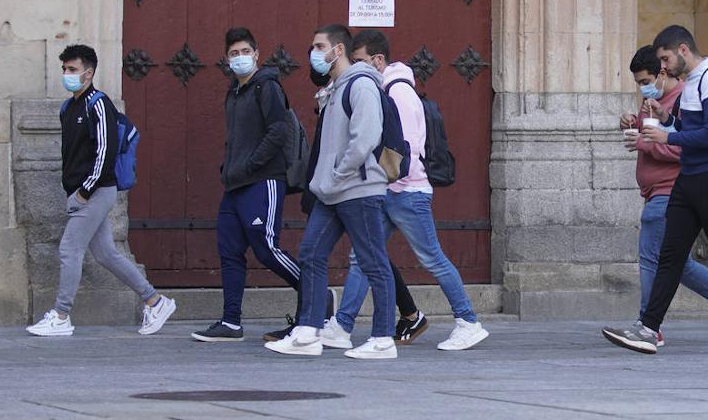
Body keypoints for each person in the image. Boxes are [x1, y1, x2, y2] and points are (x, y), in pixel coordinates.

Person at [602, 25, 708, 355]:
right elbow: (688, 128)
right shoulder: (692, 83)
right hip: (688, 180)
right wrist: (667, 119)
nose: (662, 67)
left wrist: (669, 136)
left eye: (664, 59)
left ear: (682, 50)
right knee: (670, 255)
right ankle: (648, 328)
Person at [321, 31, 489, 351]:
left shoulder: (398, 93)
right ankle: (341, 326)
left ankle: (468, 322)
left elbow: (407, 147)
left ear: (378, 60)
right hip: (392, 191)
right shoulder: (389, 90)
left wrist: (384, 180)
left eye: (359, 62)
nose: (356, 68)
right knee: (362, 257)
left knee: (432, 258)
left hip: (406, 192)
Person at [265, 25, 398, 360]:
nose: (314, 53)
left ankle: (383, 338)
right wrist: (327, 180)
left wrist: (339, 173)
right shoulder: (336, 88)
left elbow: (365, 137)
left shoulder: (361, 84)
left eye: (319, 46)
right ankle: (308, 332)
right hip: (332, 191)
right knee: (310, 253)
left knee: (373, 262)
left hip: (358, 189)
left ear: (339, 50)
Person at [27, 44, 177, 337]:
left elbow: (105, 152)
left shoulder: (99, 104)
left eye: (72, 69)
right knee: (106, 254)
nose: (67, 75)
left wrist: (85, 190)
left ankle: (61, 315)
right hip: (81, 192)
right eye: (64, 70)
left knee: (70, 247)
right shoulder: (68, 107)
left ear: (89, 72)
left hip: (97, 191)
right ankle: (155, 301)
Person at [193, 28, 325, 343]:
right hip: (235, 184)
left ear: (256, 54)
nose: (239, 58)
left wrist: (252, 163)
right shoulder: (235, 91)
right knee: (229, 251)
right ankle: (231, 322)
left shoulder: (267, 87)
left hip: (262, 180)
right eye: (233, 53)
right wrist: (230, 168)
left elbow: (278, 131)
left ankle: (319, 299)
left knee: (266, 248)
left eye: (244, 52)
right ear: (226, 59)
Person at [618, 45, 708, 347]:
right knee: (675, 262)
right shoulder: (654, 100)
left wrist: (647, 142)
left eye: (647, 79)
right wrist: (634, 125)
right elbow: (661, 133)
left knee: (655, 258)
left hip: (672, 189)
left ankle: (648, 326)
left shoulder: (693, 90)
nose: (643, 88)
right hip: (660, 191)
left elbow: (686, 143)